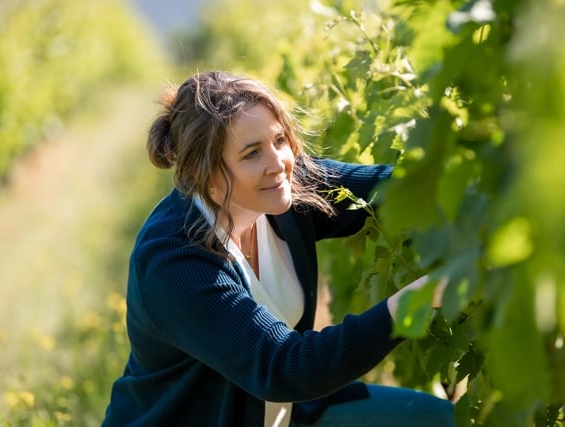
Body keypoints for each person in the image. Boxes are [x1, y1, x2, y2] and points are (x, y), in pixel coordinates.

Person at [102, 71, 454, 426]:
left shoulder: (284, 191)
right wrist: (411, 302)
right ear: (204, 171)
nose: (279, 165)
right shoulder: (173, 260)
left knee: (436, 419)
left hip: (286, 415)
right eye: (252, 153)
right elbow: (284, 368)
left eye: (280, 140)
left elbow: (388, 188)